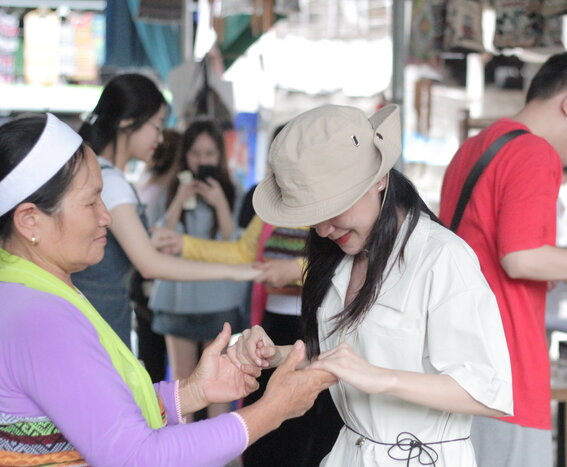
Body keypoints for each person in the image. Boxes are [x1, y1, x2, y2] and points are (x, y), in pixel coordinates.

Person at [0, 113, 337, 466]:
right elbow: (136, 455)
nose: (106, 216)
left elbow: (102, 416)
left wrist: (193, 391)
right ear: (29, 220)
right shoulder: (40, 317)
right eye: (91, 201)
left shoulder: (28, 291)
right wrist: (271, 410)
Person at [232, 104, 513, 466]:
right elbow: (345, 358)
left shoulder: (441, 258)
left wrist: (382, 379)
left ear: (379, 180)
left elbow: (487, 391)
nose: (322, 230)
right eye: (312, 218)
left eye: (332, 209)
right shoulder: (338, 257)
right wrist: (280, 355)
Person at [439, 51, 567, 467]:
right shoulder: (534, 153)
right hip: (504, 368)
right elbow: (520, 258)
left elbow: (493, 252)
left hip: (455, 361)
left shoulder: (474, 148)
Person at [71, 73, 254, 347]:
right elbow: (149, 264)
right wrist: (234, 271)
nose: (160, 137)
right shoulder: (110, 180)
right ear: (127, 122)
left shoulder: (99, 172)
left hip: (95, 310)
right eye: (157, 126)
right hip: (101, 314)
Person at [151, 212, 344, 466]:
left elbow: (352, 263)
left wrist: (297, 268)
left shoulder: (337, 207)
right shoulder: (273, 209)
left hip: (322, 326)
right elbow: (244, 253)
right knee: (264, 435)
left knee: (310, 436)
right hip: (274, 325)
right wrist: (185, 245)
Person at [148, 120, 248, 421]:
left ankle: (218, 453)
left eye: (209, 153)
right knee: (182, 383)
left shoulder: (235, 192)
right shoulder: (166, 192)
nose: (202, 161)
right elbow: (158, 241)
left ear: (220, 155)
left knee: (218, 382)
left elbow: (237, 248)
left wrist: (220, 204)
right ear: (184, 155)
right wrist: (179, 199)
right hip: (177, 299)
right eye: (195, 153)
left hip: (219, 299)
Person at [131, 128, 181, 382]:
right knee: (155, 355)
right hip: (154, 279)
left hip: (142, 282)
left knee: (150, 354)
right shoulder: (163, 193)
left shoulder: (142, 186)